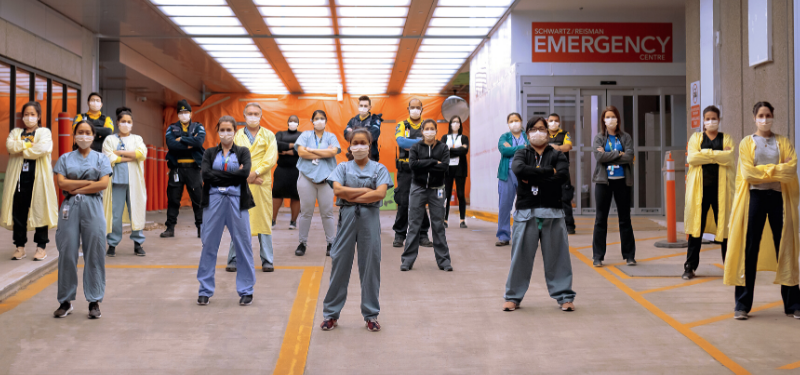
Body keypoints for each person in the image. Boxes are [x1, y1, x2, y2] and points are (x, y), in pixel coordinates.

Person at [724, 101, 800, 320]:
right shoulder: (747, 143)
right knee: (749, 250)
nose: (764, 119)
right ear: (754, 117)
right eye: (761, 115)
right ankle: (742, 304)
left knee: (785, 248)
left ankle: (793, 303)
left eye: (768, 115)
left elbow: (791, 169)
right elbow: (748, 174)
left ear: (773, 116)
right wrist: (778, 169)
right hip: (754, 198)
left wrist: (766, 171)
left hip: (778, 198)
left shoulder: (783, 142)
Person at [319, 128, 393, 332]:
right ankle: (331, 314)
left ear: (370, 146)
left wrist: (350, 195)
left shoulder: (380, 169)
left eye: (363, 142)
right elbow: (337, 190)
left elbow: (380, 194)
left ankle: (371, 315)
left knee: (370, 266)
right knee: (339, 265)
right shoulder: (342, 167)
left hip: (369, 221)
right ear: (350, 146)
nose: (359, 146)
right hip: (347, 219)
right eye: (355, 143)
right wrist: (365, 191)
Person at [503, 117, 575, 312]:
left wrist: (533, 176)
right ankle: (513, 297)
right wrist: (547, 173)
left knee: (558, 257)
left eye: (542, 129)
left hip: (553, 212)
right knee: (520, 257)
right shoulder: (521, 153)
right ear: (527, 133)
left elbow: (562, 175)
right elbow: (518, 169)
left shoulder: (557, 154)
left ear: (547, 132)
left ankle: (564, 296)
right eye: (534, 129)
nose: (538, 132)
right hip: (526, 212)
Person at [52, 120, 112, 319]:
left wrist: (77, 187)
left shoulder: (101, 159)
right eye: (80, 132)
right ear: (74, 135)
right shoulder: (65, 158)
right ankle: (65, 301)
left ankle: (94, 301)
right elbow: (61, 183)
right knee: (67, 251)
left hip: (93, 207)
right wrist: (89, 182)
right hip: (70, 207)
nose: (84, 136)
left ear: (93, 136)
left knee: (94, 252)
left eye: (88, 132)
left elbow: (102, 184)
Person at [196, 116, 256, 306]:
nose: (226, 133)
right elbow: (205, 174)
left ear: (235, 131)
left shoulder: (243, 152)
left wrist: (219, 177)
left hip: (237, 201)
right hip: (213, 201)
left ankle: (246, 290)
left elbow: (244, 173)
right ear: (217, 131)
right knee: (209, 245)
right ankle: (205, 290)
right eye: (222, 129)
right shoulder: (209, 153)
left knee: (243, 245)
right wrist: (233, 175)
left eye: (229, 130)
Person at [2, 101, 58, 261]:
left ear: (39, 116)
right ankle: (20, 247)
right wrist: (28, 143)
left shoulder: (44, 132)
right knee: (18, 213)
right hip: (18, 180)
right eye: (26, 114)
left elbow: (43, 149)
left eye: (32, 114)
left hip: (38, 179)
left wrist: (21, 150)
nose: (29, 117)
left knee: (40, 211)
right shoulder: (16, 132)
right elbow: (10, 146)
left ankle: (41, 247)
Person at [225, 103, 278, 273]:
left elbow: (270, 158)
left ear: (261, 115)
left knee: (263, 219)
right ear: (244, 115)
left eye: (256, 113)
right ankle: (233, 258)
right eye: (250, 113)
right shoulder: (237, 135)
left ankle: (267, 259)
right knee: (239, 219)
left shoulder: (269, 135)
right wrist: (247, 176)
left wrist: (256, 173)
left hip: (261, 182)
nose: (253, 116)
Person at [683, 106, 734, 279]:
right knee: (696, 230)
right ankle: (689, 267)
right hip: (700, 192)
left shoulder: (726, 138)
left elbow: (729, 158)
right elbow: (692, 158)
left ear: (719, 120)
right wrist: (717, 154)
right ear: (703, 121)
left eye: (714, 118)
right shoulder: (696, 137)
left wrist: (705, 154)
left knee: (727, 230)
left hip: (721, 192)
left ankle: (730, 267)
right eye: (707, 118)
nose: (710, 121)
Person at [401, 119, 453, 272]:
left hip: (437, 189)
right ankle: (407, 261)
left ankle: (444, 261)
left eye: (432, 128)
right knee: (414, 225)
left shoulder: (443, 148)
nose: (429, 131)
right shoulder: (416, 147)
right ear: (422, 131)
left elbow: (444, 167)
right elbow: (413, 165)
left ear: (436, 131)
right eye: (427, 129)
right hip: (418, 188)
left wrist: (423, 163)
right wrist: (432, 162)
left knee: (438, 225)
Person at [591, 106, 636, 267]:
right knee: (600, 219)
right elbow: (599, 156)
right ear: (603, 120)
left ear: (618, 119)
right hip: (604, 182)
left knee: (625, 219)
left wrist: (609, 156)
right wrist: (619, 154)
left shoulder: (625, 137)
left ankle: (629, 255)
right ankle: (598, 256)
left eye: (613, 116)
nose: (610, 119)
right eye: (607, 117)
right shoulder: (599, 138)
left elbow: (630, 156)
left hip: (622, 182)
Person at [102, 107, 148, 257]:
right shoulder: (110, 139)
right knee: (115, 215)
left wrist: (119, 153)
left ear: (132, 124)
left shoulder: (137, 139)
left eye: (128, 122)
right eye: (123, 121)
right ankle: (112, 244)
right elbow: (109, 157)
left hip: (134, 182)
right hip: (116, 182)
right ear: (117, 123)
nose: (126, 124)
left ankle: (138, 243)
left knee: (137, 210)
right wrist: (130, 157)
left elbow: (141, 154)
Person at [294, 110, 341, 256]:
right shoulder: (305, 135)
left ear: (326, 121)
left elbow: (333, 152)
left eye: (322, 118)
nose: (319, 121)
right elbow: (301, 153)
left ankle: (331, 243)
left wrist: (311, 150)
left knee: (327, 213)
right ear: (312, 120)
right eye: (316, 118)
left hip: (326, 179)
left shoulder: (331, 136)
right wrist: (323, 151)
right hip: (306, 178)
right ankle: (302, 243)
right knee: (306, 212)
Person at [162, 99, 206, 239]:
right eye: (181, 112)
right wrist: (189, 143)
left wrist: (180, 139)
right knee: (173, 199)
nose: (183, 114)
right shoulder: (171, 128)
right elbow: (171, 144)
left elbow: (199, 142)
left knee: (197, 200)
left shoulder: (198, 127)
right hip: (177, 169)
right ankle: (170, 228)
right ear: (177, 114)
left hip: (193, 169)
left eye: (186, 112)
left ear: (191, 113)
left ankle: (201, 228)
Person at [392, 98, 433, 248]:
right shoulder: (402, 125)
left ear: (422, 109)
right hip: (405, 169)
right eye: (412, 107)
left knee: (420, 202)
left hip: (421, 169)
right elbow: (401, 142)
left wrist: (412, 142)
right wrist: (420, 141)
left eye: (418, 107)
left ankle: (423, 234)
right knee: (403, 202)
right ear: (408, 109)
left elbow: (430, 143)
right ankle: (399, 234)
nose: (415, 109)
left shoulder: (427, 125)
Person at [496, 113, 528, 246]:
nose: (514, 123)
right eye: (511, 121)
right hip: (507, 173)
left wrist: (513, 149)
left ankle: (523, 235)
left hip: (524, 173)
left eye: (516, 120)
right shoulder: (504, 136)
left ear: (521, 122)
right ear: (508, 123)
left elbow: (531, 149)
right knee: (504, 205)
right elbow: (504, 151)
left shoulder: (527, 136)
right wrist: (522, 148)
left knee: (525, 205)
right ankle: (503, 236)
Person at [546, 113, 576, 235]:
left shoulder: (565, 134)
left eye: (556, 120)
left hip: (562, 171)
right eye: (551, 120)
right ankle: (549, 225)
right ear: (547, 121)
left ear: (559, 122)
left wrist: (554, 147)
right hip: (547, 171)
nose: (553, 123)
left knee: (565, 198)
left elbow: (568, 146)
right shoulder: (543, 134)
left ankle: (569, 226)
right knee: (547, 198)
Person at [273, 115, 302, 229]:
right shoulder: (280, 133)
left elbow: (304, 148)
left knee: (296, 196)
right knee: (276, 194)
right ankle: (272, 220)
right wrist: (294, 146)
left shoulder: (302, 135)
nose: (293, 122)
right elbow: (276, 144)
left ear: (298, 123)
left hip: (297, 170)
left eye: (295, 121)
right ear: (287, 122)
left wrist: (287, 151)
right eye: (291, 121)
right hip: (281, 169)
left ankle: (293, 222)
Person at [441, 115, 469, 229]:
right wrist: (458, 150)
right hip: (447, 169)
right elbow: (442, 151)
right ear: (450, 124)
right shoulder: (444, 137)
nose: (455, 124)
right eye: (453, 122)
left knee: (461, 194)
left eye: (458, 122)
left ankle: (462, 220)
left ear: (460, 124)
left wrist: (450, 150)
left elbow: (464, 151)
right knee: (446, 195)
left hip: (460, 169)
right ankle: (445, 220)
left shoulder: (464, 137)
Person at [344, 95, 382, 161]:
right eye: (361, 106)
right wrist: (366, 131)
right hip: (354, 156)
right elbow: (346, 134)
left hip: (370, 157)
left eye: (365, 106)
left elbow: (374, 135)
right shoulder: (352, 120)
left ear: (370, 107)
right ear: (358, 106)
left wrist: (354, 132)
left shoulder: (374, 120)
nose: (363, 108)